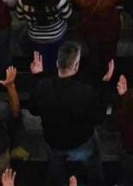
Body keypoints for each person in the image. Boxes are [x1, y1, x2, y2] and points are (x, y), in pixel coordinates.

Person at [30, 40, 109, 186]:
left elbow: (33, 110)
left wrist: (37, 76)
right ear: (76, 66)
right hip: (82, 142)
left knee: (56, 168)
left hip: (54, 141)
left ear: (57, 63)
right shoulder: (85, 92)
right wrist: (104, 85)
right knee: (93, 165)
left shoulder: (42, 86)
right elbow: (99, 118)